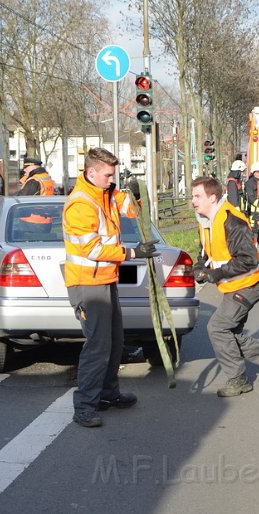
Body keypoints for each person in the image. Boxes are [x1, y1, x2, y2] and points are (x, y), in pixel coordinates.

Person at [63, 147, 157, 428]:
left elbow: (132, 211)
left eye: (113, 174)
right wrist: (131, 254)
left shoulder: (105, 194)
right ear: (91, 173)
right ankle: (85, 406)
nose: (111, 178)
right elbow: (91, 248)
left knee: (115, 343)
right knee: (98, 346)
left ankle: (107, 394)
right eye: (107, 174)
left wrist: (135, 191)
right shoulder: (80, 204)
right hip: (87, 284)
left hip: (104, 280)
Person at [191, 176, 259, 396]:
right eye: (193, 196)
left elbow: (247, 259)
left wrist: (214, 274)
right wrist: (199, 268)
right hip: (235, 284)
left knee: (217, 328)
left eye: (197, 196)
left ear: (212, 197)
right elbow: (205, 252)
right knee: (231, 335)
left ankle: (238, 380)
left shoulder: (231, 220)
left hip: (250, 283)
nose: (193, 201)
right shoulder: (206, 221)